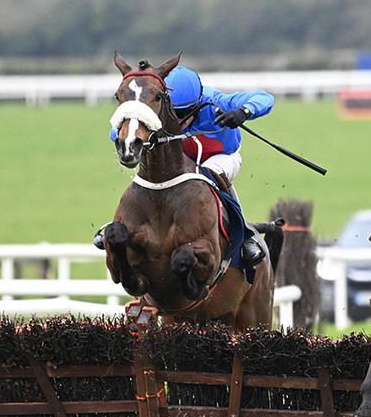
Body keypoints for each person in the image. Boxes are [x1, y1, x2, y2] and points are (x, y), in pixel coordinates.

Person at [96, 65, 274, 267]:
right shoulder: (156, 106)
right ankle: (123, 225)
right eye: (172, 112)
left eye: (183, 113)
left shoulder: (214, 101)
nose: (177, 119)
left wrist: (243, 112)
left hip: (220, 157)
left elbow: (265, 98)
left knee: (209, 176)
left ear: (197, 104)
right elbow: (120, 133)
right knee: (151, 173)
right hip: (180, 159)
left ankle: (244, 236)